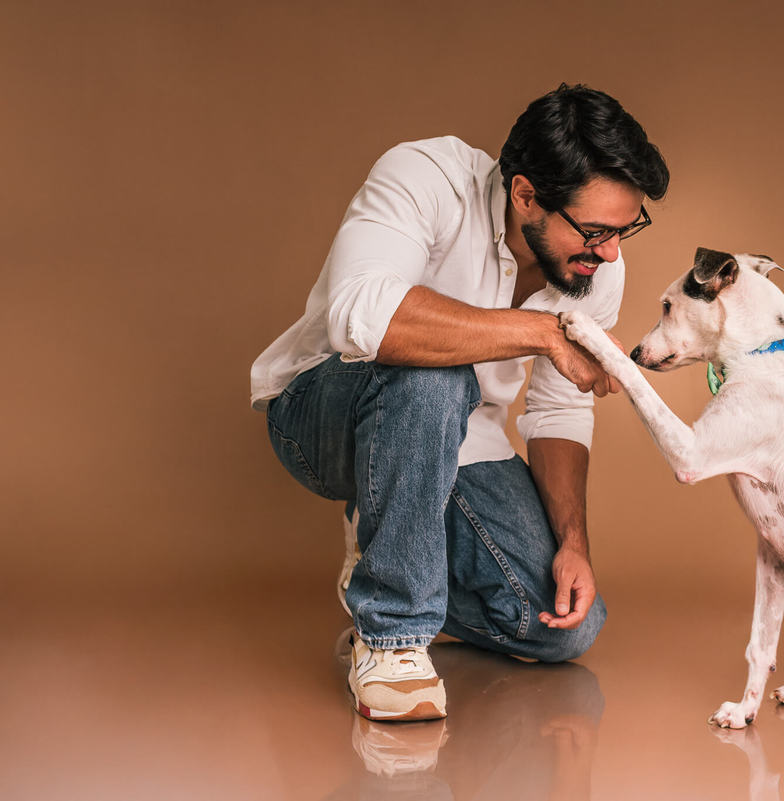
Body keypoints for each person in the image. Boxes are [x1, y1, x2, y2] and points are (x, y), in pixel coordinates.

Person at [249, 84, 669, 721]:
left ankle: (384, 551)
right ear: (525, 194)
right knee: (433, 370)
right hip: (322, 416)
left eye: (624, 230)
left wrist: (573, 541)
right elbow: (363, 316)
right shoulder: (425, 176)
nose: (611, 253)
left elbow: (558, 410)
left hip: (462, 438)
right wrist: (541, 331)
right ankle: (392, 632)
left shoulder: (595, 266)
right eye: (595, 231)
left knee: (563, 628)